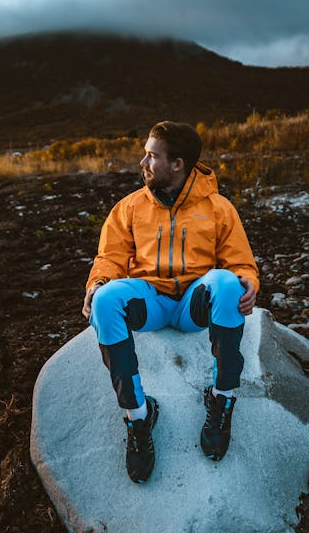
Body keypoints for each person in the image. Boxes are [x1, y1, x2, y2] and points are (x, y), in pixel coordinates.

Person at [82, 121, 259, 483]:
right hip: (151, 302)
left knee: (227, 284)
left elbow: (240, 261)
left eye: (152, 155)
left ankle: (222, 400)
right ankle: (139, 417)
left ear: (177, 163)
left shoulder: (218, 209)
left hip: (193, 304)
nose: (143, 162)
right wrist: (97, 283)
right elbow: (110, 258)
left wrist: (249, 281)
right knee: (104, 300)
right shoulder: (129, 208)